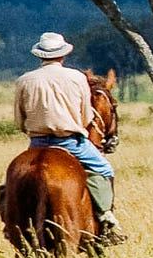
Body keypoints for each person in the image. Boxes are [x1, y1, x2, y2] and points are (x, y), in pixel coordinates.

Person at [13, 32, 126, 244]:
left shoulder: (24, 80)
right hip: (70, 142)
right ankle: (106, 220)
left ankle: (9, 223)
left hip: (36, 143)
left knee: (9, 181)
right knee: (105, 170)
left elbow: (19, 119)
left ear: (40, 56)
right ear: (63, 55)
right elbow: (86, 115)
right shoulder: (76, 78)